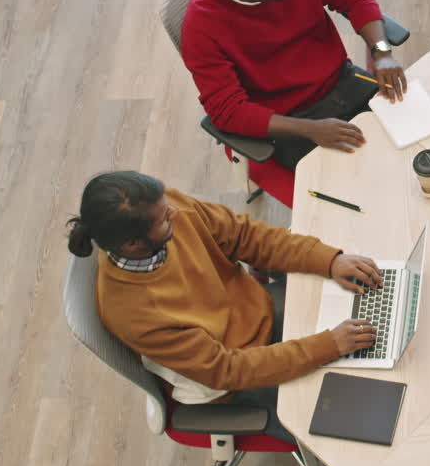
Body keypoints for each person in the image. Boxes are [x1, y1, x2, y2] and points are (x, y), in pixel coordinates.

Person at [66, 171, 382, 441]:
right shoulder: (133, 313)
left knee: (375, 330)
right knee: (364, 417)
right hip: (233, 380)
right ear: (133, 244)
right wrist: (327, 346)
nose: (174, 212)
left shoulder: (165, 207)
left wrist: (329, 260)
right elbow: (227, 369)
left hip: (256, 311)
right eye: (164, 218)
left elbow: (246, 236)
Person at [181, 0, 408, 177]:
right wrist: (310, 129)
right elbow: (228, 111)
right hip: (288, 121)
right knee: (355, 185)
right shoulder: (201, 26)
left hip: (342, 80)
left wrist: (382, 52)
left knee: (411, 149)